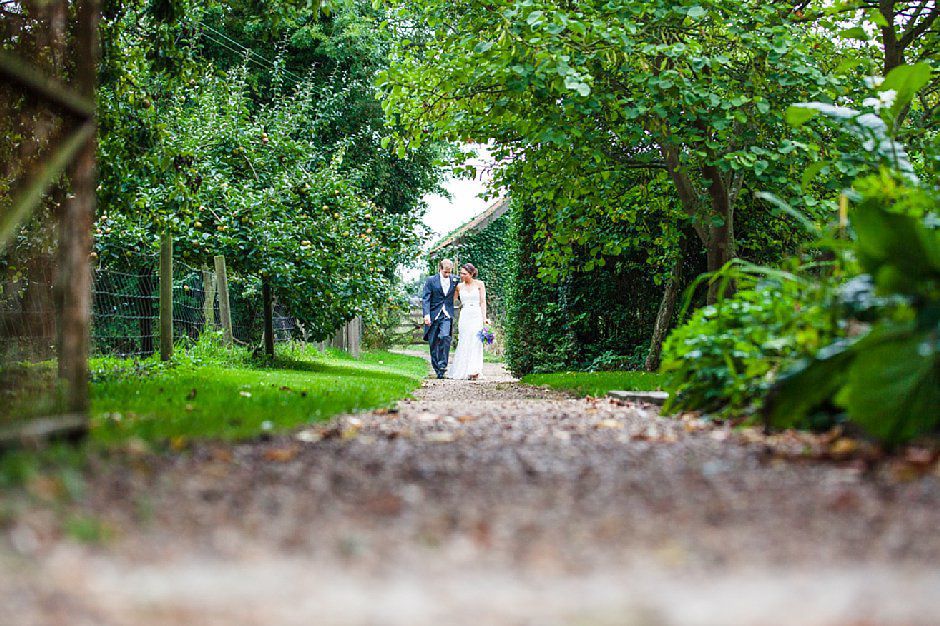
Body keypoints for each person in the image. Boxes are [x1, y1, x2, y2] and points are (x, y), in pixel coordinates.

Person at [447, 262, 488, 381]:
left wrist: (484, 318)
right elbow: (451, 301)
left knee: (476, 341)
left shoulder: (480, 284)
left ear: (471, 274)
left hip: (476, 314)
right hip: (465, 315)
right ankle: (462, 370)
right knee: (464, 340)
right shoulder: (459, 286)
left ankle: (474, 370)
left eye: (464, 273)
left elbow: (482, 302)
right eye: (460, 273)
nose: (461, 275)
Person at [422, 258, 459, 379]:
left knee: (444, 337)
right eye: (445, 272)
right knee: (433, 343)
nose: (448, 274)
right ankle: (437, 369)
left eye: (449, 272)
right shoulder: (431, 280)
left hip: (447, 315)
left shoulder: (455, 280)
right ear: (440, 269)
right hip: (433, 315)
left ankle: (443, 366)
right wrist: (426, 315)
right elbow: (426, 298)